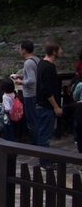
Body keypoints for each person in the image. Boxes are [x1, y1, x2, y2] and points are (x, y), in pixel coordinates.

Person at [35, 40, 63, 169]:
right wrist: (56, 106)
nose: (61, 51)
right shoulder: (48, 67)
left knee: (44, 133)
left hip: (42, 105)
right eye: (60, 49)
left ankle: (45, 158)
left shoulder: (42, 64)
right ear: (54, 51)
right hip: (46, 106)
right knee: (45, 134)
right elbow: (46, 89)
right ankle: (44, 161)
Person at [15, 40, 40, 145]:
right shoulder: (37, 60)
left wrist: (21, 81)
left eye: (20, 48)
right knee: (37, 119)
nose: (19, 50)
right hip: (37, 93)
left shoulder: (28, 63)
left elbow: (32, 80)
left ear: (24, 50)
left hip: (30, 94)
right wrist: (22, 77)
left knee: (32, 121)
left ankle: (34, 144)